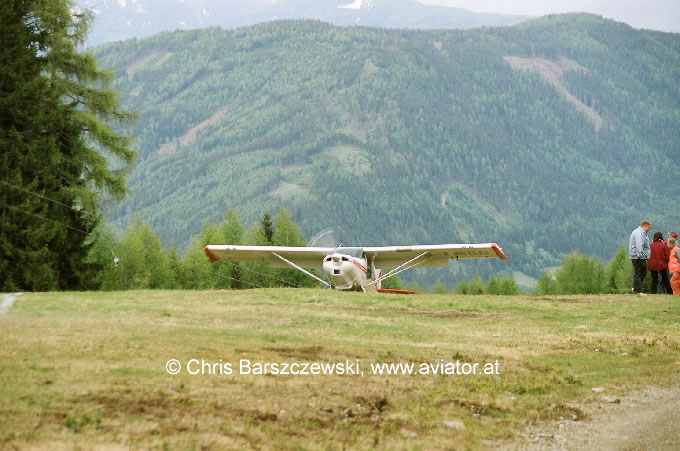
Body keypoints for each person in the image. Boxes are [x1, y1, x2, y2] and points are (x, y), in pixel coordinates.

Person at [629, 220, 651, 294]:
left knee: (642, 272)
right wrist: (641, 256)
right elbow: (639, 245)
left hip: (638, 256)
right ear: (645, 226)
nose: (649, 230)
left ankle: (635, 288)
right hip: (638, 256)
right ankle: (637, 291)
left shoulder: (640, 232)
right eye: (648, 228)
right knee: (639, 272)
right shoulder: (639, 233)